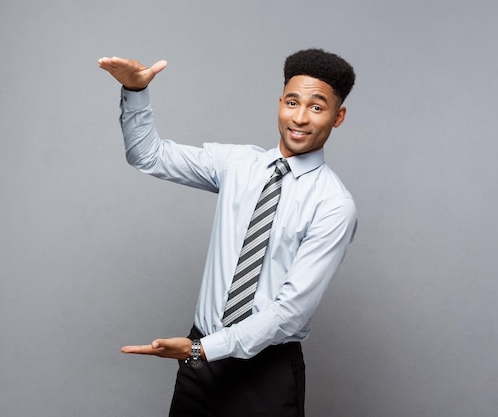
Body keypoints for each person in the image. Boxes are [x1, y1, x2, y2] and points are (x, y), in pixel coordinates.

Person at [98, 48, 357, 417]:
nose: (300, 118)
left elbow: (290, 313)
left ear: (338, 116)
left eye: (317, 107)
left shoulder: (334, 205)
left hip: (266, 375)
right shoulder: (238, 164)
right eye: (292, 102)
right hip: (199, 366)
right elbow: (148, 155)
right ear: (280, 103)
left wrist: (201, 349)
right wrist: (136, 91)